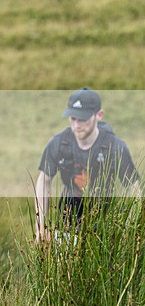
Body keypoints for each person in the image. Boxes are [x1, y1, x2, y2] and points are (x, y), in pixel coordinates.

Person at [35, 88, 140, 244]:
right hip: (67, 221)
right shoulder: (58, 143)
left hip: (105, 224)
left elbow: (134, 187)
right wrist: (41, 227)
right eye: (73, 118)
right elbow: (44, 180)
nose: (77, 125)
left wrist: (130, 230)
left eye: (83, 119)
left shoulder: (116, 147)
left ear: (99, 115)